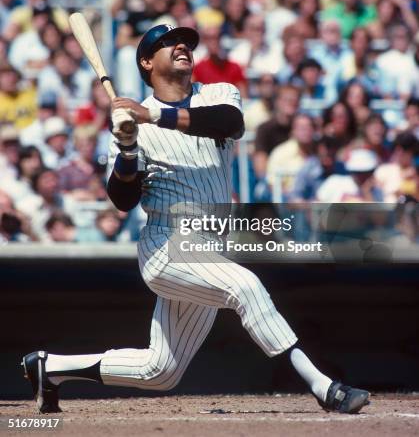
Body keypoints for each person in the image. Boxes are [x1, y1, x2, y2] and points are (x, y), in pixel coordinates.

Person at [22, 22, 369, 414]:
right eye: (168, 43)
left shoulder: (216, 94)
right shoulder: (132, 127)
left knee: (161, 370)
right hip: (167, 245)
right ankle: (322, 385)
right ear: (147, 62)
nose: (182, 45)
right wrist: (129, 151)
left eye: (185, 41)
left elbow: (229, 123)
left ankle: (48, 368)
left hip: (211, 247)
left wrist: (151, 115)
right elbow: (123, 198)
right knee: (247, 288)